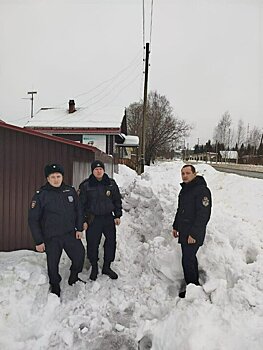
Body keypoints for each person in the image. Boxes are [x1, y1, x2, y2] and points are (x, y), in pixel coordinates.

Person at [28, 163, 85, 297]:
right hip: (51, 237)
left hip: (70, 234)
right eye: (52, 177)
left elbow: (79, 210)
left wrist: (79, 228)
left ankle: (74, 276)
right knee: (52, 264)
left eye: (58, 176)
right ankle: (55, 285)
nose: (56, 179)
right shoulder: (41, 195)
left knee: (80, 256)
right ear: (47, 179)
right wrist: (38, 241)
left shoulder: (70, 191)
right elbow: (33, 219)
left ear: (62, 177)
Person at [79, 160, 122, 281]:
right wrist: (83, 221)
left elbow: (117, 200)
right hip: (93, 219)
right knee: (92, 243)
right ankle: (94, 266)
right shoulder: (86, 185)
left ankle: (107, 266)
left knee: (111, 242)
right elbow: (81, 205)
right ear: (92, 171)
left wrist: (117, 215)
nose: (98, 171)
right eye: (96, 169)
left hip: (108, 218)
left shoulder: (111, 184)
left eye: (100, 169)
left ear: (104, 170)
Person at [172, 164, 212, 298]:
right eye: (183, 173)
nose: (185, 176)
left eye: (188, 173)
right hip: (184, 230)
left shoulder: (201, 190)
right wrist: (176, 226)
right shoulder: (185, 190)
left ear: (195, 174)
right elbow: (180, 210)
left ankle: (192, 287)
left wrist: (194, 234)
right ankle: (194, 285)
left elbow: (203, 215)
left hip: (193, 232)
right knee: (189, 259)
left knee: (187, 260)